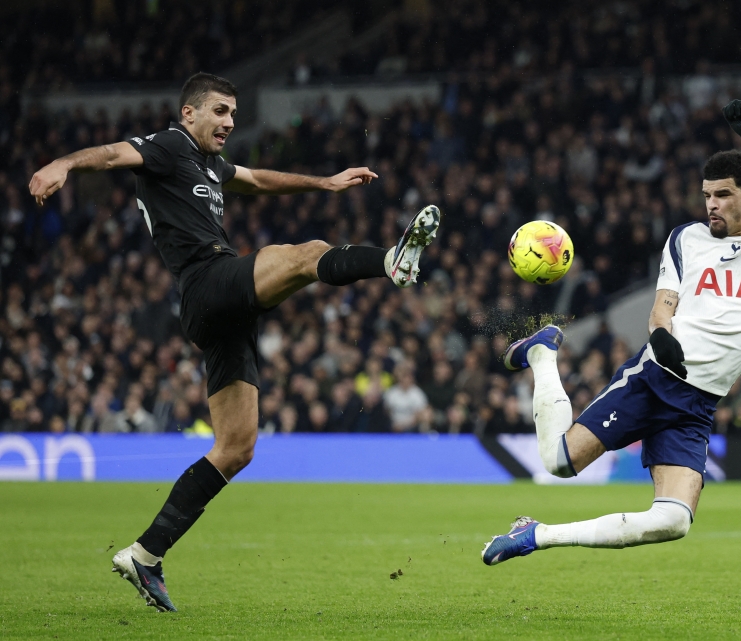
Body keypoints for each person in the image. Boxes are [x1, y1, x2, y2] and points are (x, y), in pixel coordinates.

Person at [28, 72, 441, 611]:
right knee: (304, 252)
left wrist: (324, 183)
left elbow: (256, 180)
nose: (227, 123)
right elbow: (109, 156)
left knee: (237, 447)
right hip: (204, 283)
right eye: (219, 111)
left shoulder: (208, 165)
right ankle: (392, 260)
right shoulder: (169, 146)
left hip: (221, 313)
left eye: (233, 115)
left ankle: (146, 555)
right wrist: (63, 163)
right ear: (189, 114)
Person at [481, 100, 741, 565]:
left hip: (699, 403)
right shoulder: (686, 239)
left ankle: (537, 534)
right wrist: (660, 336)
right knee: (558, 462)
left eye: (723, 195)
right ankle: (542, 354)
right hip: (656, 380)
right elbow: (662, 309)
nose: (711, 204)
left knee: (673, 521)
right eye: (706, 195)